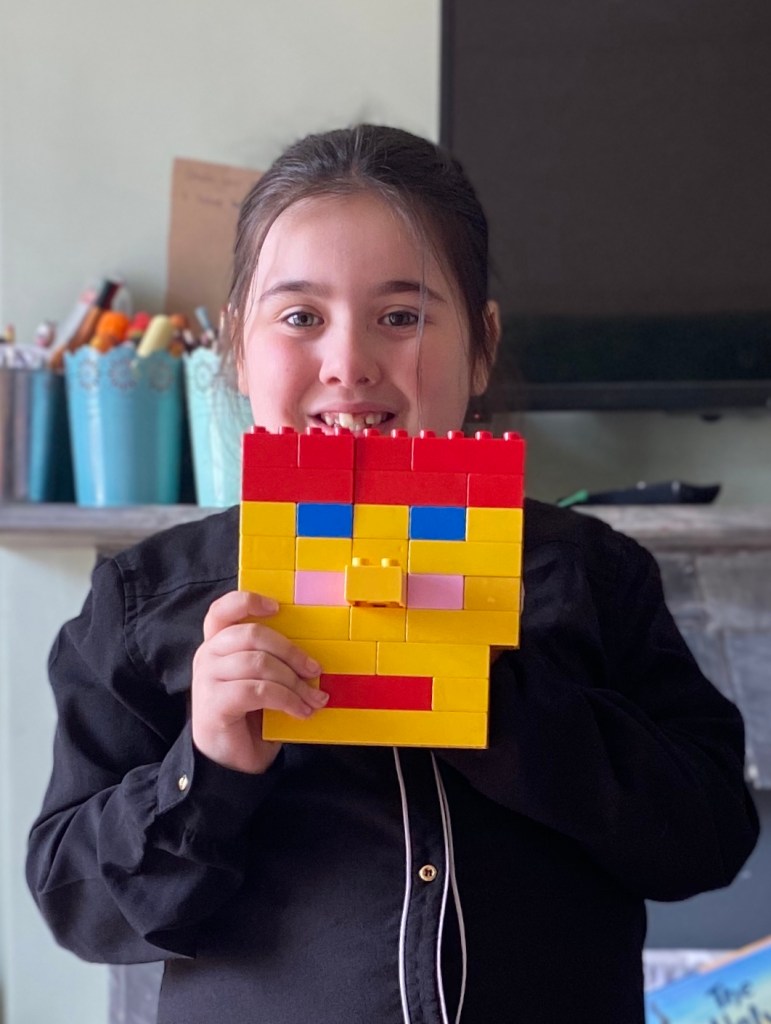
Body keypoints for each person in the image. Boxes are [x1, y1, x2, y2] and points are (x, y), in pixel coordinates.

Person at [26, 125, 758, 1024]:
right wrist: (204, 767)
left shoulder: (589, 575)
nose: (348, 363)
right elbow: (77, 904)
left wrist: (509, 703)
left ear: (481, 344)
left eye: (401, 316)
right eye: (301, 317)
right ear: (237, 346)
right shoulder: (146, 602)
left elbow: (708, 839)